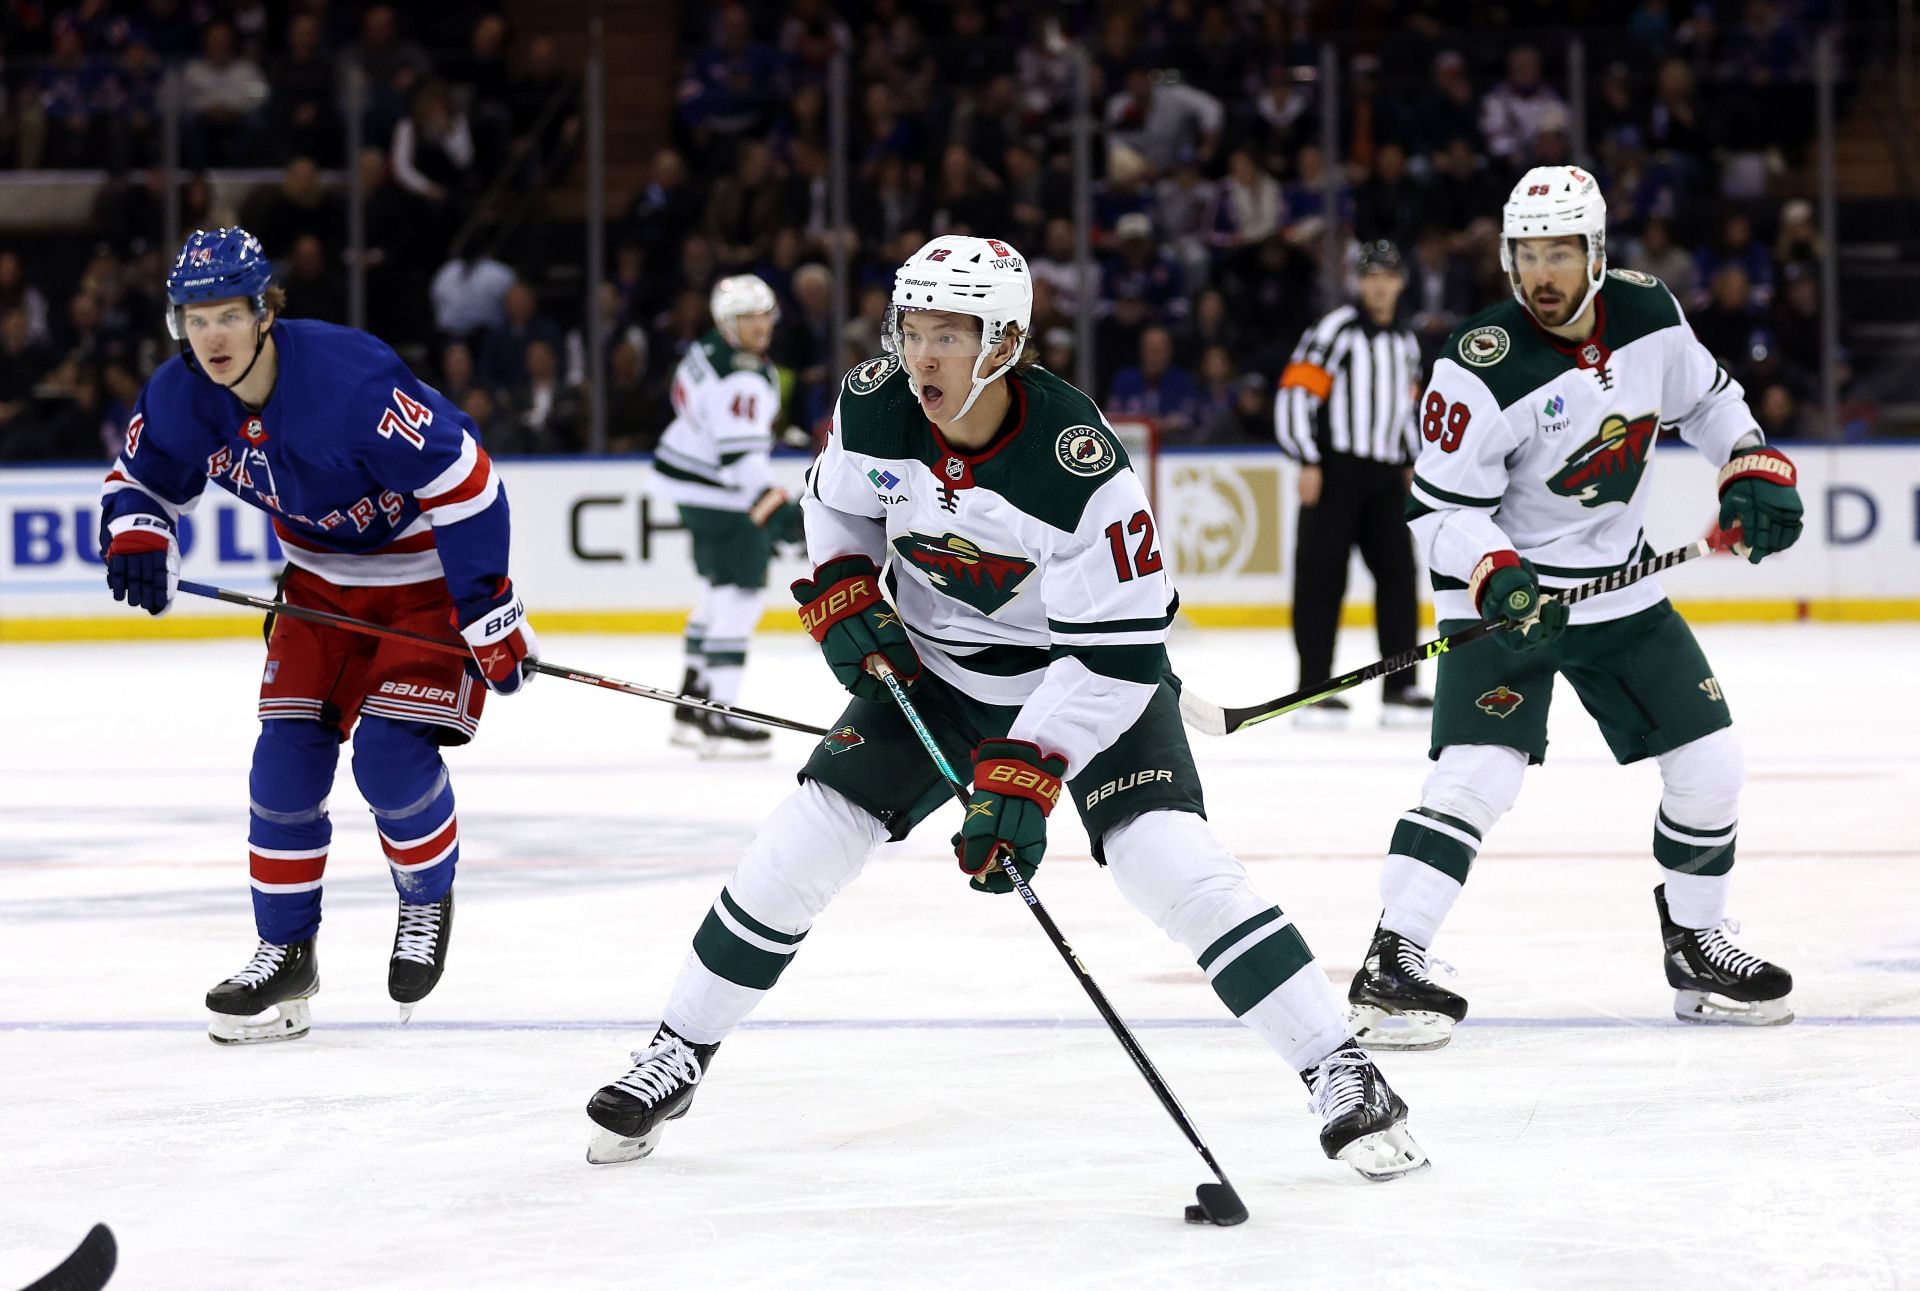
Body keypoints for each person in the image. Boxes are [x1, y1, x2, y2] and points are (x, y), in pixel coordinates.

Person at [582, 235, 1428, 1181]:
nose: (923, 353)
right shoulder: (876, 401)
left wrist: (1029, 767)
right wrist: (845, 585)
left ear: (1005, 342)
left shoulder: (1076, 462)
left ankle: (1340, 1068)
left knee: (1168, 861)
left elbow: (1119, 651)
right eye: (913, 326)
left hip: (1090, 679)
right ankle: (677, 1050)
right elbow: (837, 505)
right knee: (803, 836)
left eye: (951, 332)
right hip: (936, 675)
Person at [1346, 168, 1802, 1051]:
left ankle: (1697, 946)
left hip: (1620, 587)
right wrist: (1498, 576)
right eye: (1527, 253)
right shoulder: (1477, 366)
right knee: (1481, 772)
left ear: (1596, 253)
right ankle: (1390, 961)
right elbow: (1438, 513)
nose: (1542, 272)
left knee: (1711, 761)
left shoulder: (1649, 313)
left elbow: (1708, 401)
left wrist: (1745, 459)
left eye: (1560, 251)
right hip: (1507, 598)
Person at [98, 228, 538, 1044]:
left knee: (390, 756)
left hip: (425, 584)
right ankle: (285, 949)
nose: (214, 337)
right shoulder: (180, 394)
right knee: (284, 768)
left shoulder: (351, 380)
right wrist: (138, 534)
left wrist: (489, 608)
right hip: (317, 588)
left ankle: (422, 897)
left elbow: (467, 478)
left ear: (266, 310)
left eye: (230, 314)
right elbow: (142, 475)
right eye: (195, 320)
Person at [1274, 240, 1430, 727]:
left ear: (1401, 282)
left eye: (1388, 275)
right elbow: (1297, 393)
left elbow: (1408, 408)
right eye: (1371, 276)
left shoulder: (1406, 340)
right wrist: (1307, 458)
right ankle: (1314, 690)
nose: (1379, 285)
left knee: (1400, 580)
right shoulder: (1335, 332)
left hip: (1386, 476)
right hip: (1335, 470)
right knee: (1321, 579)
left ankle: (1400, 688)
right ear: (1359, 282)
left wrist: (1410, 461)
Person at [651, 274, 797, 755]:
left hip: (690, 483)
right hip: (722, 493)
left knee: (717, 592)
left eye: (764, 315)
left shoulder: (707, 350)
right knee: (741, 596)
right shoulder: (742, 376)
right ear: (727, 321)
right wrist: (778, 513)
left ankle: (690, 704)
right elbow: (740, 460)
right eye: (747, 317)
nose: (759, 325)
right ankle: (721, 714)